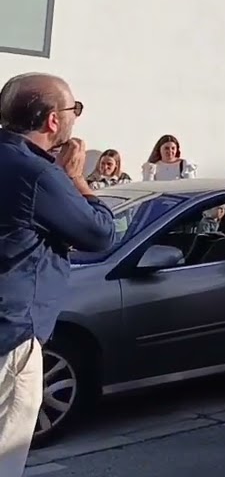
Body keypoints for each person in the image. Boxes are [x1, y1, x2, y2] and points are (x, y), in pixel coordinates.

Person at [0, 74, 116, 476]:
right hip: (11, 332)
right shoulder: (37, 174)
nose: (74, 119)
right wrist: (77, 179)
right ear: (53, 121)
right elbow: (99, 233)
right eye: (74, 110)